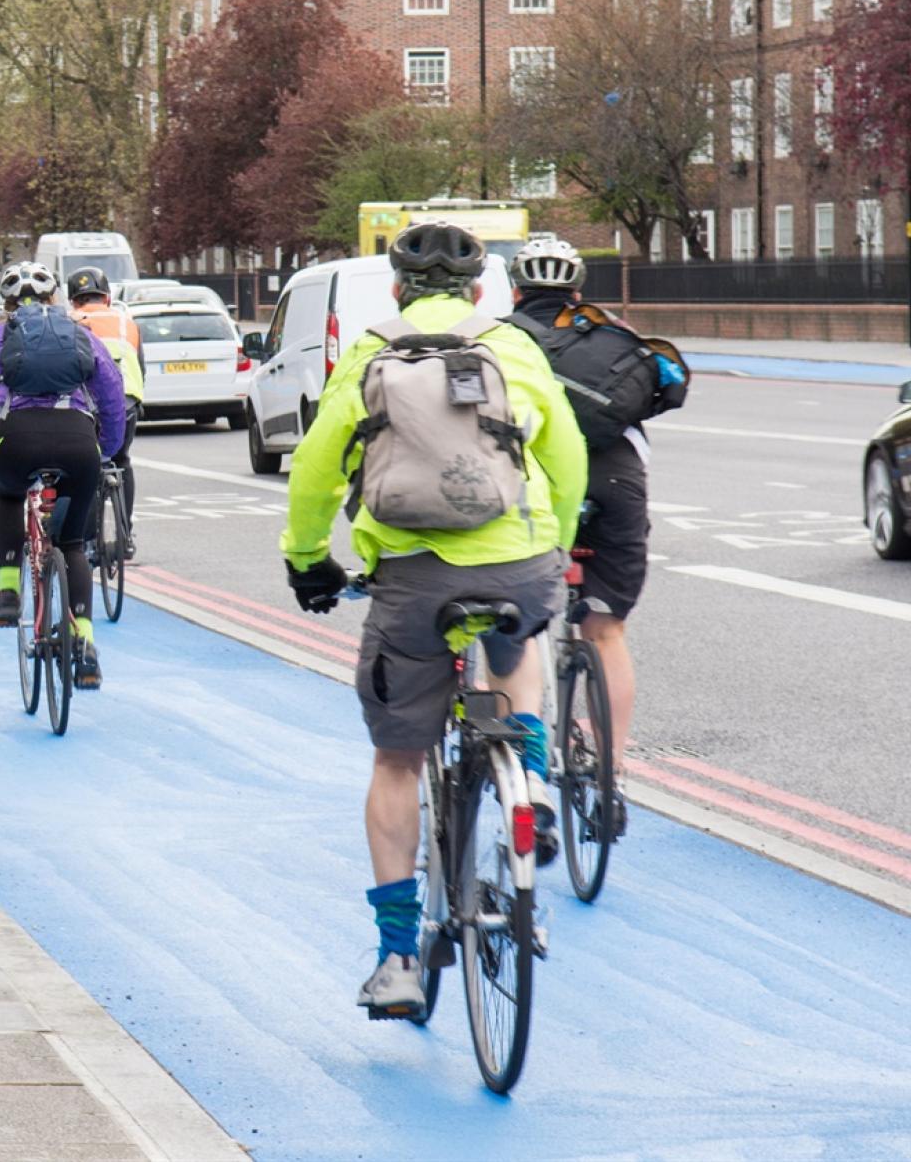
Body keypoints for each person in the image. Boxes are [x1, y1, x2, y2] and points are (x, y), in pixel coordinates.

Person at [280, 222, 587, 1019]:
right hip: (518, 561)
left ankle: (395, 960)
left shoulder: (371, 351)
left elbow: (316, 465)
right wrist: (555, 536)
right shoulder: (513, 348)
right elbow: (567, 450)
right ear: (480, 289)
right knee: (516, 643)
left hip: (412, 579)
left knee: (396, 761)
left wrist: (307, 555)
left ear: (397, 290)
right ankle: (533, 787)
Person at [505, 236, 678, 840]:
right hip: (615, 483)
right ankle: (611, 778)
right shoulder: (612, 332)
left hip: (534, 485)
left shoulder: (499, 340)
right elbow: (665, 387)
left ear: (514, 290)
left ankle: (524, 780)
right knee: (606, 632)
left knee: (517, 626)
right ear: (577, 292)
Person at [0, 262, 128, 689]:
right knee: (72, 546)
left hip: (18, 439)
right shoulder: (80, 334)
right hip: (78, 440)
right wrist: (110, 449)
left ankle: (8, 592)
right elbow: (113, 393)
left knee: (10, 494)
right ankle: (84, 646)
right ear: (54, 299)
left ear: (7, 303)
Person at [65, 267, 145, 559]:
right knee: (122, 460)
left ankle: (86, 541)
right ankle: (125, 535)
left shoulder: (73, 322)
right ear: (107, 298)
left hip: (92, 403)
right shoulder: (127, 322)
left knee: (87, 469)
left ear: (74, 301)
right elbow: (140, 366)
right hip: (128, 401)